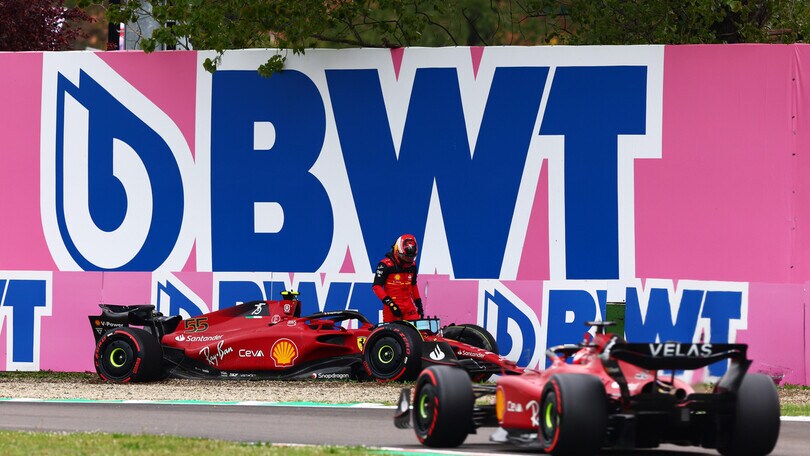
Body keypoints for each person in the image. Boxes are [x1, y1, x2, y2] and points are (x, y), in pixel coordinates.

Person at [372, 234, 423, 322]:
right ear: (397, 251)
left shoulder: (413, 265)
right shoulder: (385, 265)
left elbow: (413, 285)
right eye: (406, 257)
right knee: (392, 332)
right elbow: (376, 286)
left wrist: (419, 304)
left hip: (408, 305)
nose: (408, 260)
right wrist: (391, 304)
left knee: (417, 331)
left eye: (411, 258)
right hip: (392, 305)